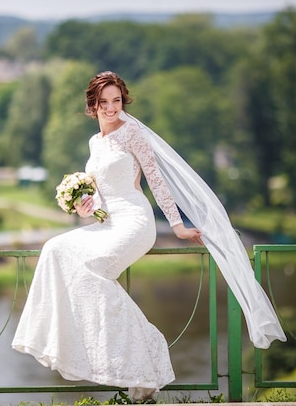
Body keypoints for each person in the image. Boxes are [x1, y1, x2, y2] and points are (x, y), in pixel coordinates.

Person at [12, 71, 203, 401]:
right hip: (106, 222)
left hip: (134, 222)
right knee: (54, 248)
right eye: (104, 102)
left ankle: (148, 350)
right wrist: (86, 206)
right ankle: (60, 340)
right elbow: (100, 193)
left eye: (117, 100)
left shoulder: (133, 133)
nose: (112, 108)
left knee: (91, 274)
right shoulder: (94, 142)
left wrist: (177, 226)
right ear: (93, 105)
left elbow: (155, 181)